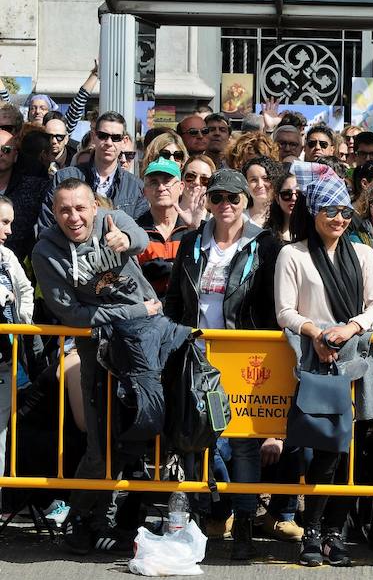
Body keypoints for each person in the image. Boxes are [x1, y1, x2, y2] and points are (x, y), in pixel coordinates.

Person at [32, 178, 160, 555]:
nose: (74, 217)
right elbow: (72, 312)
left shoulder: (111, 220)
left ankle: (117, 522)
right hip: (98, 348)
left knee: (145, 434)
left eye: (80, 208)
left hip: (144, 342)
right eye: (64, 210)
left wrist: (126, 241)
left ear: (95, 207)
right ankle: (81, 519)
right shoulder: (46, 250)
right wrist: (133, 310)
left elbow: (139, 235)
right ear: (54, 213)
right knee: (100, 442)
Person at [274, 163, 373, 567]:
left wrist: (349, 328)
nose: (339, 218)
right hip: (316, 360)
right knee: (327, 448)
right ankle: (315, 530)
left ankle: (334, 532)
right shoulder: (293, 253)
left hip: (356, 359)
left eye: (345, 211)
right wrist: (316, 333)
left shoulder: (363, 252)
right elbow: (285, 310)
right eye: (330, 210)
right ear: (314, 212)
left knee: (353, 451)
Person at [164, 168, 281, 560]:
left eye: (233, 198)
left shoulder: (265, 245)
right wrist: (175, 338)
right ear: (208, 202)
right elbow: (177, 302)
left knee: (244, 444)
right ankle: (207, 514)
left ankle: (245, 520)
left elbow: (270, 307)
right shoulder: (192, 242)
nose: (225, 205)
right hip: (197, 357)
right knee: (199, 438)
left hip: (245, 356)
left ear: (246, 200)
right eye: (217, 198)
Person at [39, 111, 148, 231]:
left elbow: (140, 234)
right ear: (93, 136)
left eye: (116, 138)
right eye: (103, 136)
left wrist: (126, 239)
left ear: (124, 141)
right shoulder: (63, 178)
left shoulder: (136, 186)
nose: (109, 143)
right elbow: (46, 227)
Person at [0, 195, 34, 509]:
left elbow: (25, 289)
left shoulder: (8, 257)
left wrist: (22, 321)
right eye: (3, 222)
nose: (9, 230)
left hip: (5, 360)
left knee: (1, 432)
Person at [136, 158, 198, 298]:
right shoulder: (135, 231)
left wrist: (196, 230)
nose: (161, 187)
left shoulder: (194, 228)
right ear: (144, 191)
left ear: (181, 187)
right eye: (154, 182)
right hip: (150, 313)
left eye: (167, 181)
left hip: (187, 313)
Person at [0, 60, 97, 133]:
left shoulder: (59, 130)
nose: (37, 112)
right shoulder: (20, 131)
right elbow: (5, 103)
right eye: (33, 108)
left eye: (43, 108)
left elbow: (78, 104)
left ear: (50, 112)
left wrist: (95, 74)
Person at [0, 129, 48, 259]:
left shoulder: (34, 188)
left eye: (6, 150)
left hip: (18, 265)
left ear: (15, 155)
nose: (0, 154)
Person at [242, 155, 280, 227]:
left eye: (265, 178)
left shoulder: (284, 215)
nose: (260, 185)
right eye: (253, 180)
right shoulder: (239, 218)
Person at [266, 168, 299, 243]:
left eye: (299, 194)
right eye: (287, 194)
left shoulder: (317, 232)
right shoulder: (267, 237)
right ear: (277, 198)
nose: (294, 198)